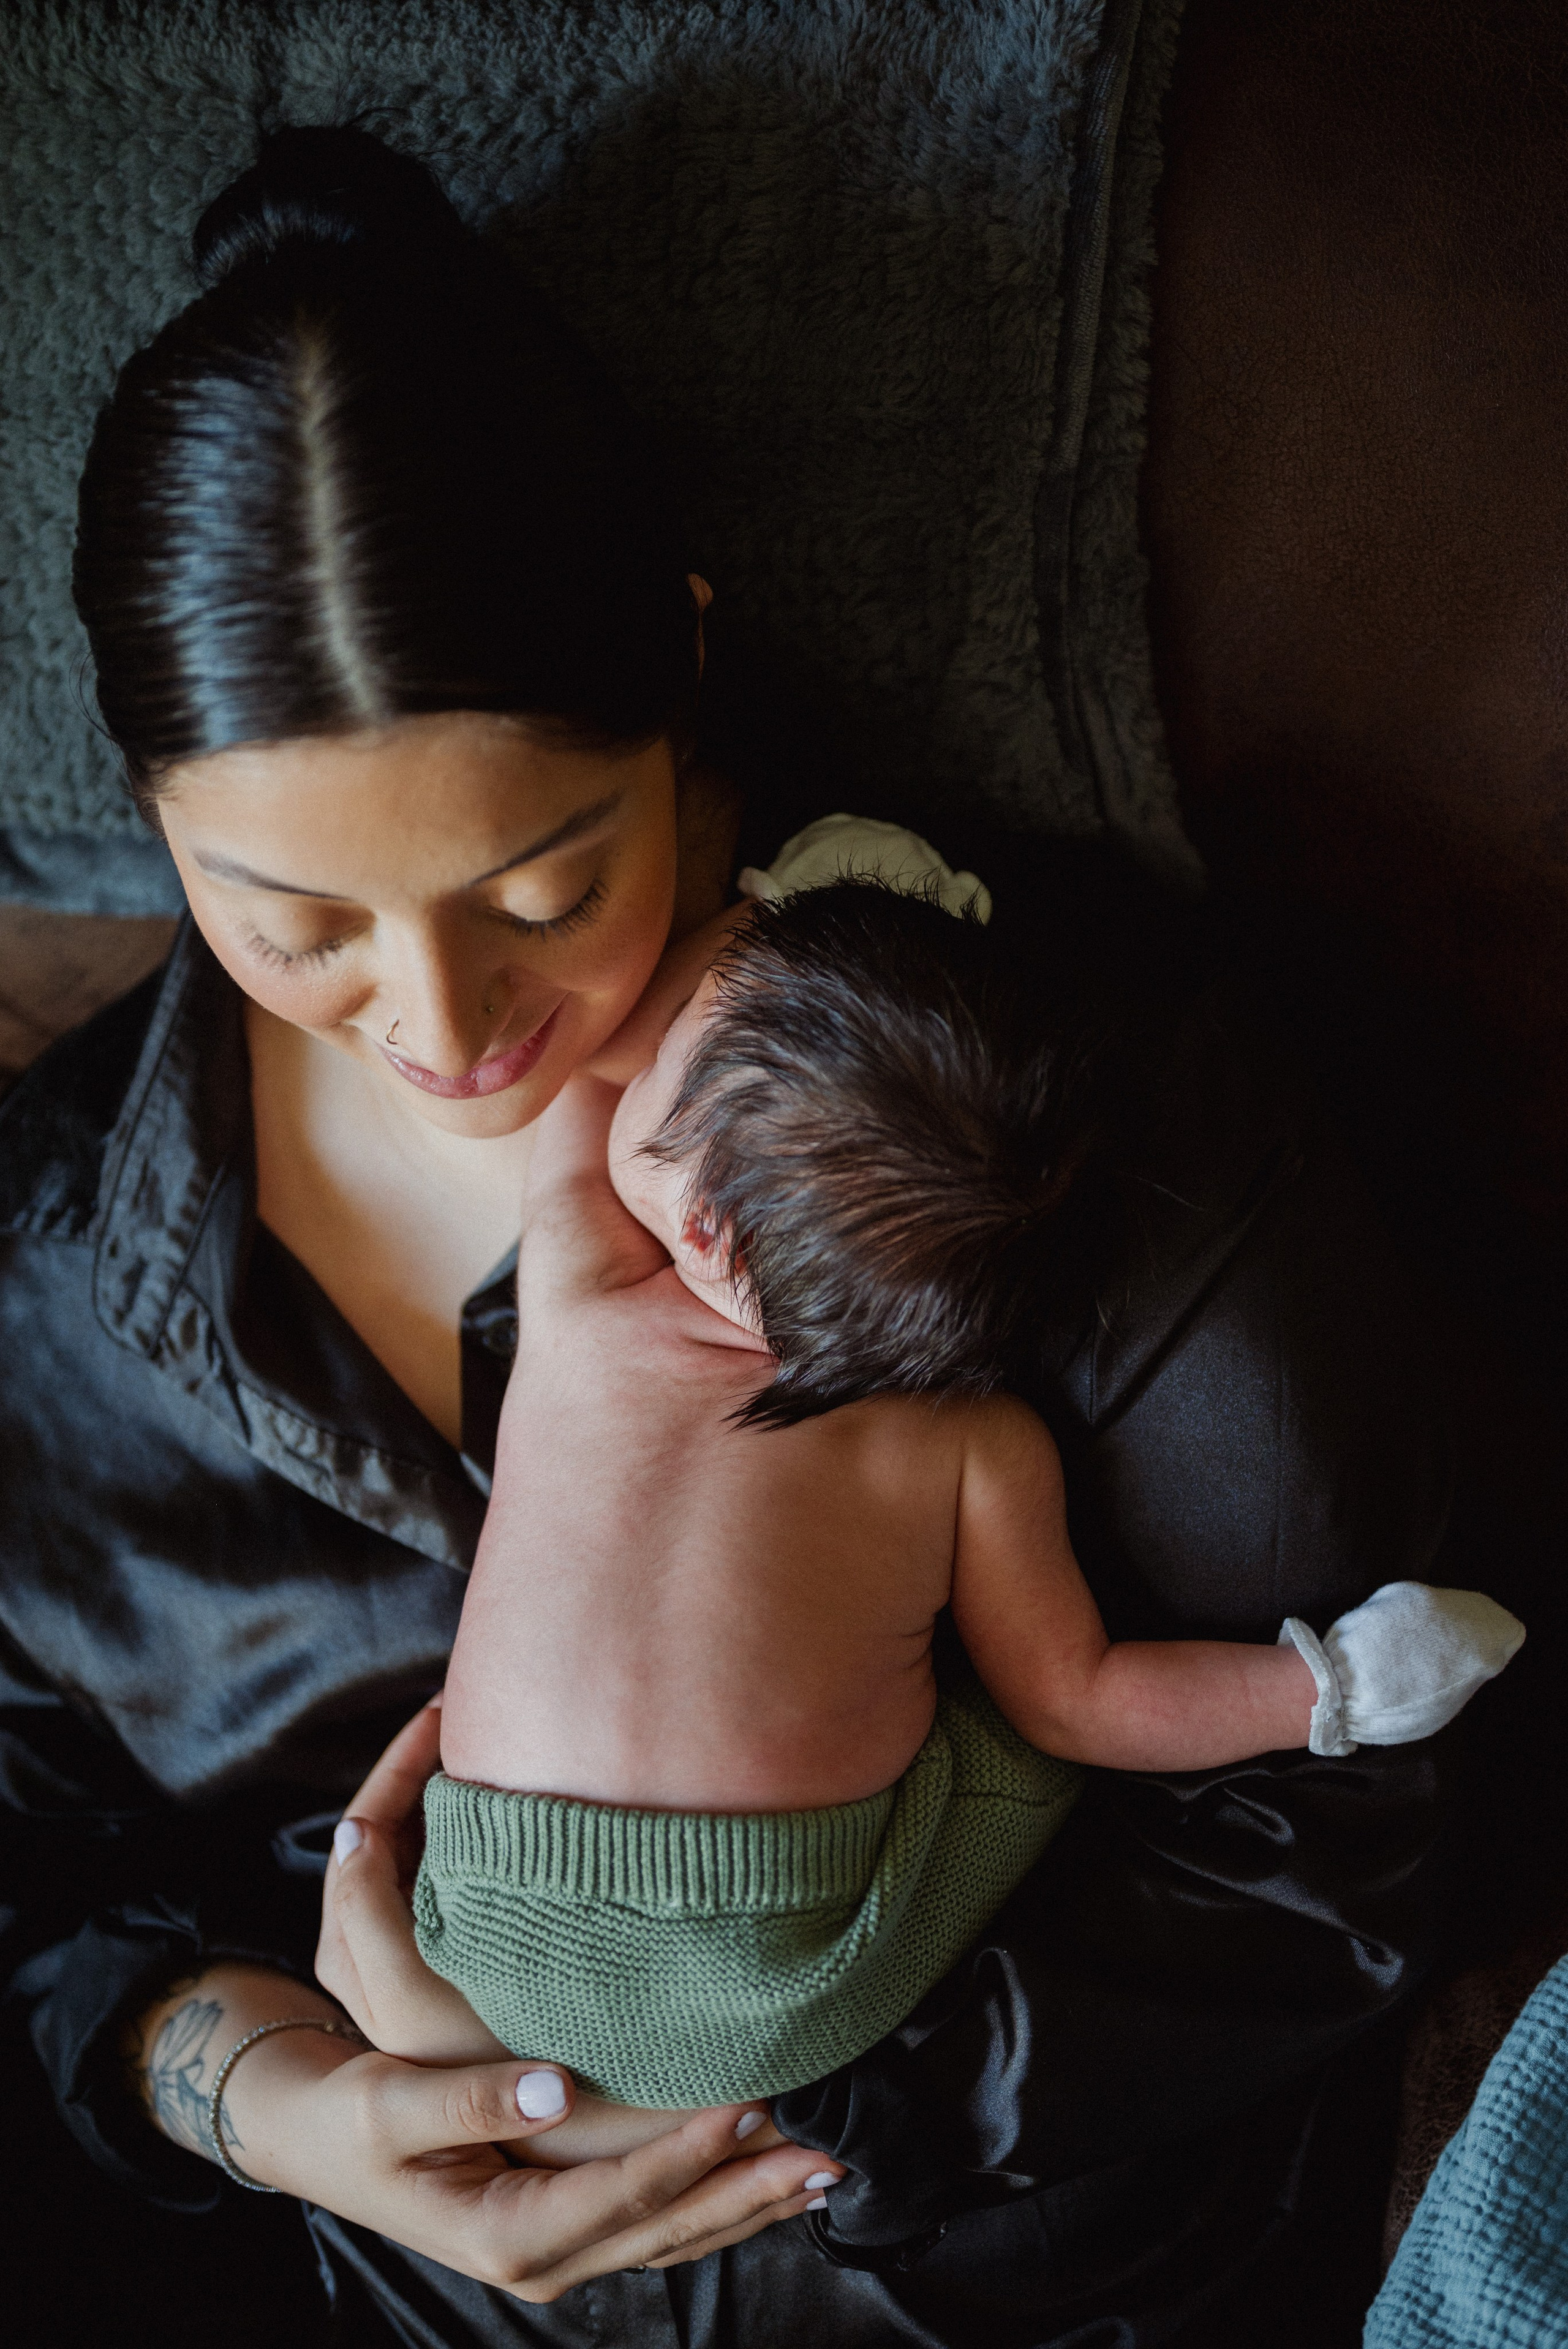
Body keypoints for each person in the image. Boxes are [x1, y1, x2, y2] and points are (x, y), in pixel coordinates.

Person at [0, 122, 1476, 2347]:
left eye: (541, 886)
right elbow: (37, 1876)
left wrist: (750, 2091)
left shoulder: (1064, 1105)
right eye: (294, 923)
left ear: (683, 661)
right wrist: (267, 2097)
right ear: (157, 824)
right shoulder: (39, 1277)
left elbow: (1348, 1833)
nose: (446, 1026)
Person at [372, 881, 1517, 2116]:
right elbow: (1081, 1700)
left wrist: (749, 904)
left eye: (670, 1058)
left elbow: (584, 1071)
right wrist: (1320, 1684)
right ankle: (1342, 1691)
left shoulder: (583, 1300)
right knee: (1018, 1715)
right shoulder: (971, 1443)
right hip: (769, 1999)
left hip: (481, 1913)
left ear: (700, 1225)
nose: (639, 1054)